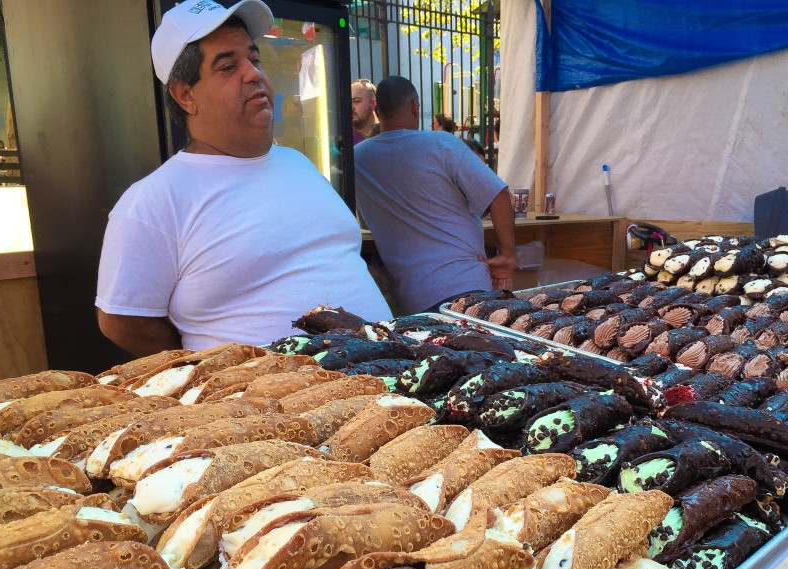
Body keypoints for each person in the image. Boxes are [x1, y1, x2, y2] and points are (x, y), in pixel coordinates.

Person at [96, 0, 391, 355]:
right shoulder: (153, 201)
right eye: (228, 66)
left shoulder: (297, 163)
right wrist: (207, 366)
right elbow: (120, 320)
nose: (253, 73)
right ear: (185, 94)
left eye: (254, 58)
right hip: (275, 404)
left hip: (390, 375)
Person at [355, 76, 516, 314]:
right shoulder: (443, 143)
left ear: (376, 108)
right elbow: (499, 195)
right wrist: (508, 257)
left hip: (412, 299)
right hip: (467, 289)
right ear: (414, 107)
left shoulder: (358, 158)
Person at [350, 78, 379, 144]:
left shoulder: (389, 136)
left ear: (373, 103)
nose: (351, 107)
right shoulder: (342, 141)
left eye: (356, 101)